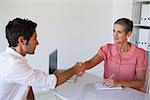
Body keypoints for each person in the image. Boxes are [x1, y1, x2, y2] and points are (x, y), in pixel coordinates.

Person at [0, 18, 82, 100]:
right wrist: (75, 69)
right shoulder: (14, 65)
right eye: (35, 38)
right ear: (22, 41)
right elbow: (51, 82)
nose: (37, 42)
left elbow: (27, 84)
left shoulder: (10, 59)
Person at [78, 18, 147, 91]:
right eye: (114, 31)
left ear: (128, 34)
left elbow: (141, 83)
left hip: (130, 93)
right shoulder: (107, 49)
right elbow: (91, 62)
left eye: (119, 32)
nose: (115, 35)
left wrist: (120, 83)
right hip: (108, 91)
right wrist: (82, 66)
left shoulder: (139, 53)